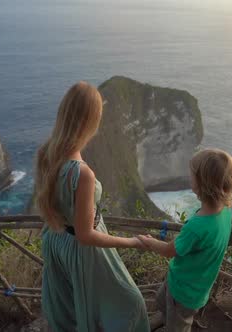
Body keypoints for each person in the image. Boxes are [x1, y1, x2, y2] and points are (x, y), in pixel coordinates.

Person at [35, 81, 150, 332]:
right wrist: (132, 242)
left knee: (74, 308)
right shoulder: (82, 174)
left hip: (57, 240)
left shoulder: (46, 152)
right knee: (131, 303)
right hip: (81, 248)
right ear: (90, 121)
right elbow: (86, 235)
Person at [138, 148, 232, 332]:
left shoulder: (197, 227)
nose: (188, 176)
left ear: (201, 183)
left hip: (184, 293)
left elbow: (169, 250)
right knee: (163, 301)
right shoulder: (224, 212)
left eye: (191, 174)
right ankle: (164, 318)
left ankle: (169, 323)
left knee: (179, 325)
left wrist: (149, 241)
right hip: (192, 284)